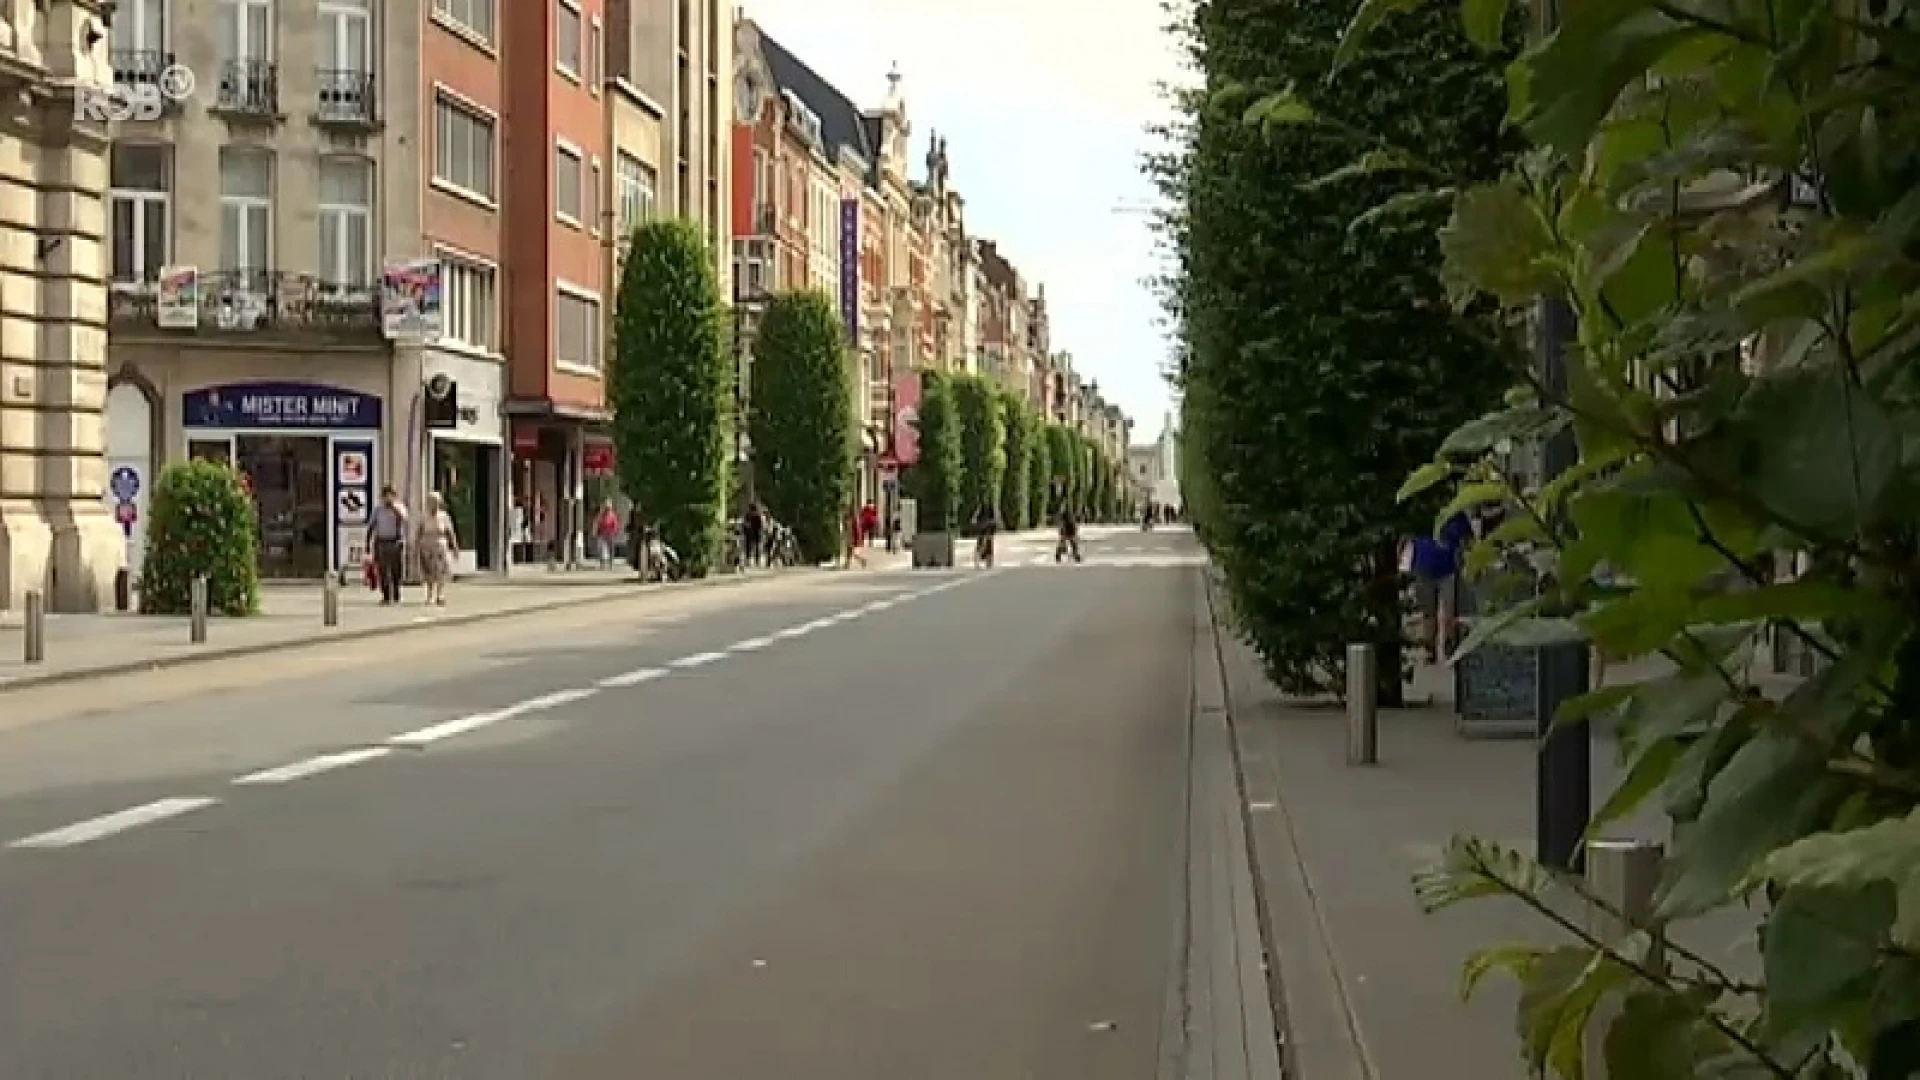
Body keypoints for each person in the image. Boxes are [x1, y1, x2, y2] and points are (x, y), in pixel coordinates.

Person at [1410, 511, 1475, 662]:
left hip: (1448, 570)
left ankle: (1448, 646)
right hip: (1423, 568)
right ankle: (1429, 648)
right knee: (1428, 612)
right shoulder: (1421, 510)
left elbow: (1468, 540)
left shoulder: (1456, 514)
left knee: (1448, 612)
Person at [366, 486, 409, 605]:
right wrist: (368, 544)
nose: (387, 499)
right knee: (383, 570)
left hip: (396, 542)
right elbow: (371, 526)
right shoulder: (378, 510)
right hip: (381, 542)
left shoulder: (399, 507)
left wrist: (394, 508)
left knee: (396, 570)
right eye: (385, 496)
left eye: (390, 496)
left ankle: (396, 594)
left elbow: (404, 520)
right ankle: (386, 595)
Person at [415, 491, 458, 606]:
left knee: (441, 571)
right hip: (426, 546)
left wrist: (454, 547)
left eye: (436, 502)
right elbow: (419, 532)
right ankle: (429, 595)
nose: (434, 504)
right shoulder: (423, 516)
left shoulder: (444, 516)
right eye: (431, 502)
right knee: (428, 572)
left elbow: (450, 532)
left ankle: (440, 594)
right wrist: (416, 546)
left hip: (440, 545)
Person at [970, 501, 999, 567]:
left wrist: (975, 523)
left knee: (982, 543)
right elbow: (996, 518)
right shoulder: (990, 507)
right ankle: (987, 562)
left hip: (984, 527)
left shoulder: (982, 507)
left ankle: (981, 561)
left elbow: (974, 519)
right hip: (987, 527)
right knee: (987, 543)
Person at [595, 500, 622, 569]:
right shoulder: (601, 514)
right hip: (602, 533)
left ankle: (611, 563)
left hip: (610, 534)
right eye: (606, 507)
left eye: (609, 507)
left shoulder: (612, 515)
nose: (607, 509)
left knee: (611, 549)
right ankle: (602, 563)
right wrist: (596, 530)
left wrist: (614, 532)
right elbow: (597, 522)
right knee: (600, 548)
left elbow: (615, 524)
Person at [742, 501, 766, 567]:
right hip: (755, 532)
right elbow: (762, 525)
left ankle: (750, 560)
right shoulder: (758, 515)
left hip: (751, 533)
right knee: (755, 547)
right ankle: (755, 560)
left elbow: (744, 523)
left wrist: (747, 526)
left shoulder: (749, 515)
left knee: (750, 547)